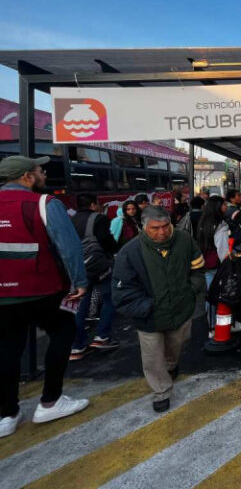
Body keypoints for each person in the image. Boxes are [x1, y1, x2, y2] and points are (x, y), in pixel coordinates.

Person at [0, 155, 90, 438]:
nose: (43, 174)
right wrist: (79, 281)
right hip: (45, 290)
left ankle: (7, 414)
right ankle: (50, 401)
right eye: (39, 170)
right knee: (63, 332)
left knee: (6, 350)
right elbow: (69, 247)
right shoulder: (45, 204)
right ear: (27, 176)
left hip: (3, 295)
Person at [112, 206, 206, 413]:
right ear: (144, 227)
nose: (162, 232)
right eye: (155, 228)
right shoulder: (130, 252)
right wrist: (146, 306)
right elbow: (122, 289)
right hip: (149, 316)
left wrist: (191, 290)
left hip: (181, 310)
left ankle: (171, 366)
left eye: (165, 226)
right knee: (153, 356)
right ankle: (161, 391)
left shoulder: (185, 241)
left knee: (176, 346)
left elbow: (198, 268)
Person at [70, 193, 120, 359]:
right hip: (99, 267)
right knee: (110, 297)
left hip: (77, 267)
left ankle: (77, 346)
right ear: (93, 205)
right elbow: (107, 242)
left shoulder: (70, 219)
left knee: (80, 304)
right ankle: (102, 336)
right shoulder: (99, 219)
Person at [196, 195, 241, 336]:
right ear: (217, 207)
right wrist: (229, 263)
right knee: (224, 295)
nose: (226, 207)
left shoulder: (203, 221)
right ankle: (223, 326)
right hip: (218, 265)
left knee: (211, 295)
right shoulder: (221, 224)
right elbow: (222, 248)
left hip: (206, 263)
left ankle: (212, 326)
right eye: (223, 204)